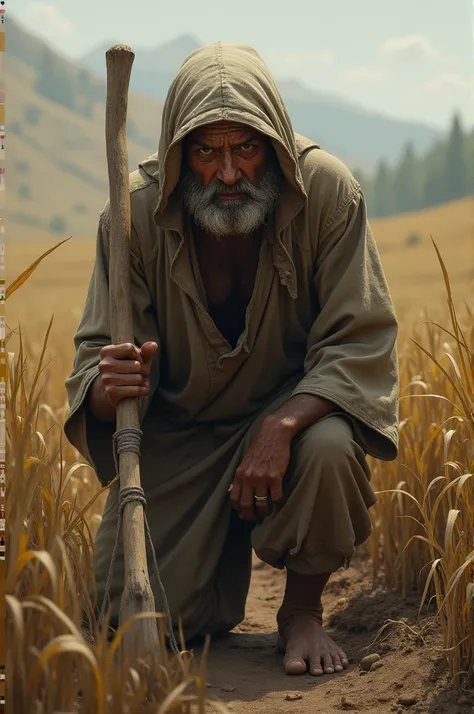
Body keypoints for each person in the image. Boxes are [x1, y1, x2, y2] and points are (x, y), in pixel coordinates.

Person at [65, 41, 399, 677]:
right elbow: (95, 363)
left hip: (296, 421)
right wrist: (111, 385)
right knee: (124, 623)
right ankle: (203, 583)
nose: (227, 173)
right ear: (177, 153)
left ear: (272, 143)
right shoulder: (132, 214)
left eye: (245, 148)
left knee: (330, 446)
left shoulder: (327, 193)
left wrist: (283, 424)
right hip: (179, 432)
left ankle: (301, 610)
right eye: (205, 151)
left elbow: (361, 340)